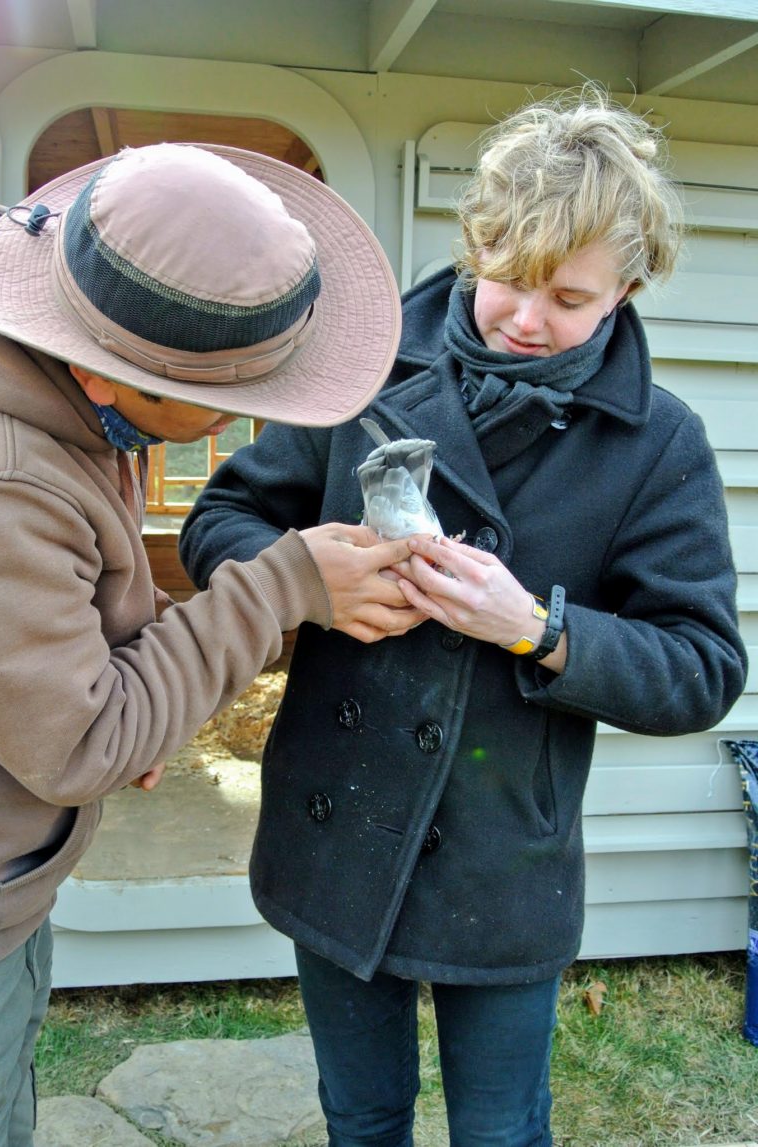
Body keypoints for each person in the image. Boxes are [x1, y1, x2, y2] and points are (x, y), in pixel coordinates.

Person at [180, 87, 747, 1147]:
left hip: (502, 859)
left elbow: (702, 666)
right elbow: (226, 516)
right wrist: (307, 580)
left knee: (498, 1132)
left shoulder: (658, 444)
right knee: (360, 1117)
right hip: (337, 822)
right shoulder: (362, 370)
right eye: (511, 280)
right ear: (477, 244)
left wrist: (538, 625)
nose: (529, 319)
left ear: (628, 289)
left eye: (569, 300)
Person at [0, 141, 423, 1147]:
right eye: (236, 394)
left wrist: (133, 689)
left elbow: (65, 655)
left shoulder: (67, 402)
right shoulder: (12, 477)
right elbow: (83, 744)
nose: (245, 416)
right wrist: (289, 582)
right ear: (123, 371)